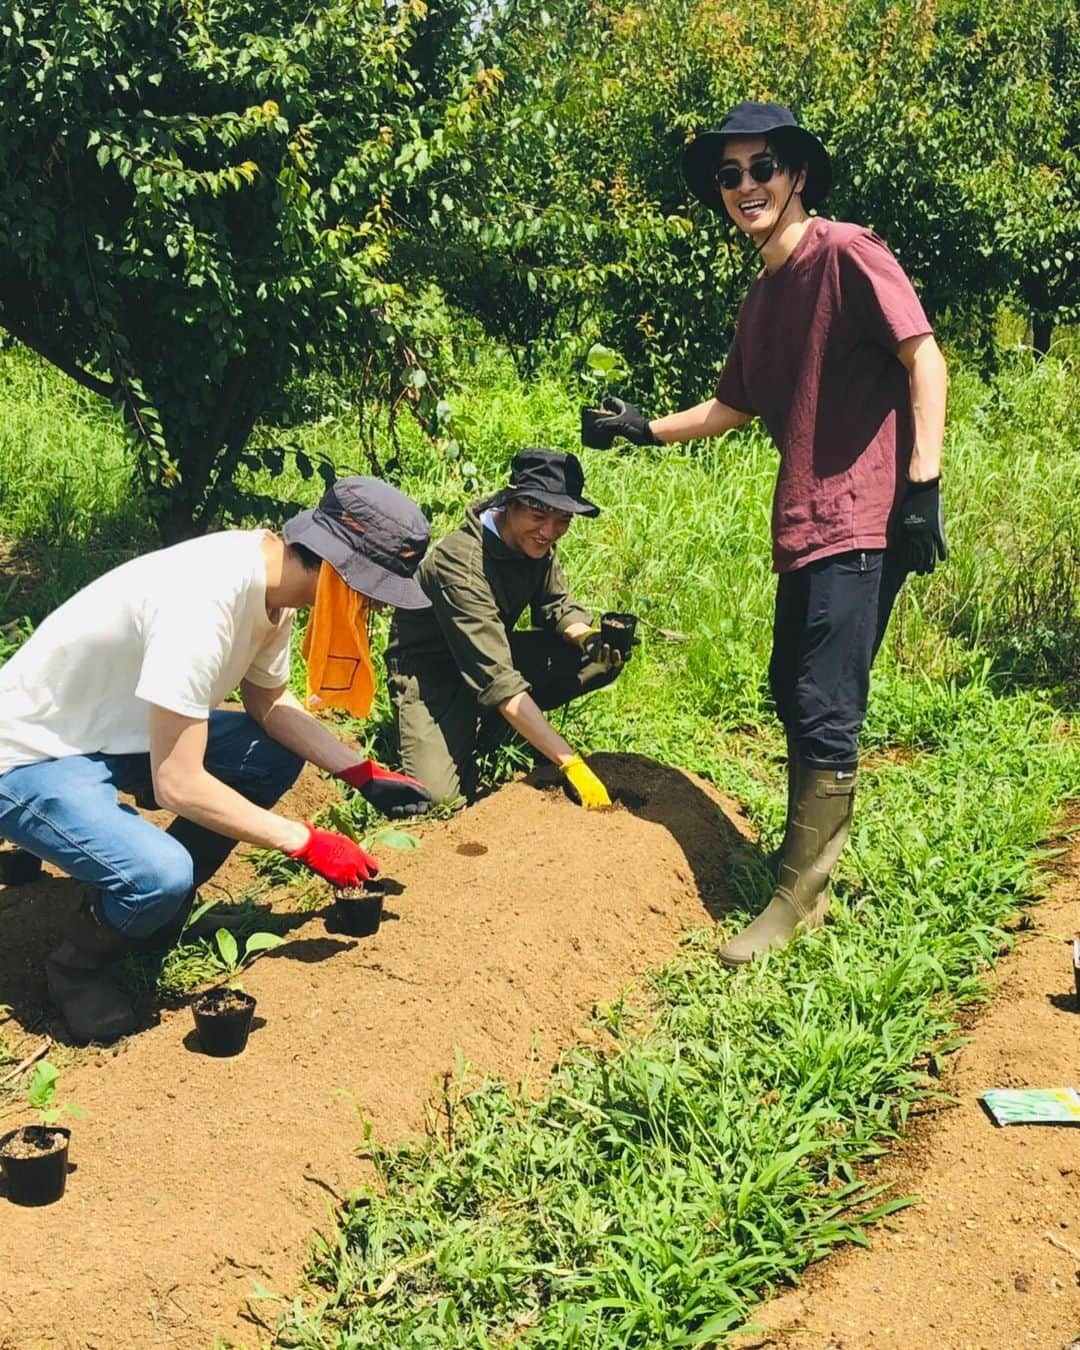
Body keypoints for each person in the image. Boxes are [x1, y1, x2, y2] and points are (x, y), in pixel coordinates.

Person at [582, 101, 948, 965]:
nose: (744, 187)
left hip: (864, 514)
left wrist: (923, 485)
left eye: (761, 169)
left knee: (824, 703)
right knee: (791, 684)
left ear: (796, 175)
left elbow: (923, 356)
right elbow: (735, 406)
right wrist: (645, 430)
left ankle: (798, 902)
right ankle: (801, 860)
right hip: (808, 520)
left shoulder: (846, 252)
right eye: (728, 175)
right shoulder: (763, 294)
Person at [0, 477, 434, 1042]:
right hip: (33, 755)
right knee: (161, 873)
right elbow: (178, 783)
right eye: (372, 590)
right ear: (336, 567)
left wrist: (360, 772)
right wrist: (304, 840)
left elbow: (268, 701)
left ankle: (160, 917)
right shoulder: (205, 603)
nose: (374, 606)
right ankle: (78, 966)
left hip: (118, 733)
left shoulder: (274, 586)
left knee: (270, 754)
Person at [385, 448, 631, 810]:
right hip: (433, 672)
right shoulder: (461, 565)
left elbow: (555, 605)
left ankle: (498, 724)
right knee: (440, 800)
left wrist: (588, 638)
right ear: (509, 504)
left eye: (563, 520)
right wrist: (570, 762)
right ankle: (485, 721)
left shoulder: (533, 540)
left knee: (600, 660)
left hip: (491, 653)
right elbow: (499, 681)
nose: (549, 531)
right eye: (538, 516)